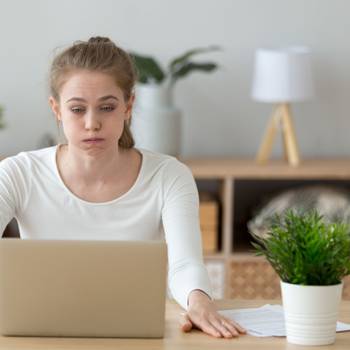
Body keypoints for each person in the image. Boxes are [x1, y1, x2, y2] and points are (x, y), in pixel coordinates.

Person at [0, 36, 246, 339]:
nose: (92, 123)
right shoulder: (17, 173)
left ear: (128, 106)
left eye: (107, 107)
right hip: (40, 335)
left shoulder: (169, 176)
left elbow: (185, 264)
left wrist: (199, 301)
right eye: (77, 109)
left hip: (135, 337)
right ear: (57, 109)